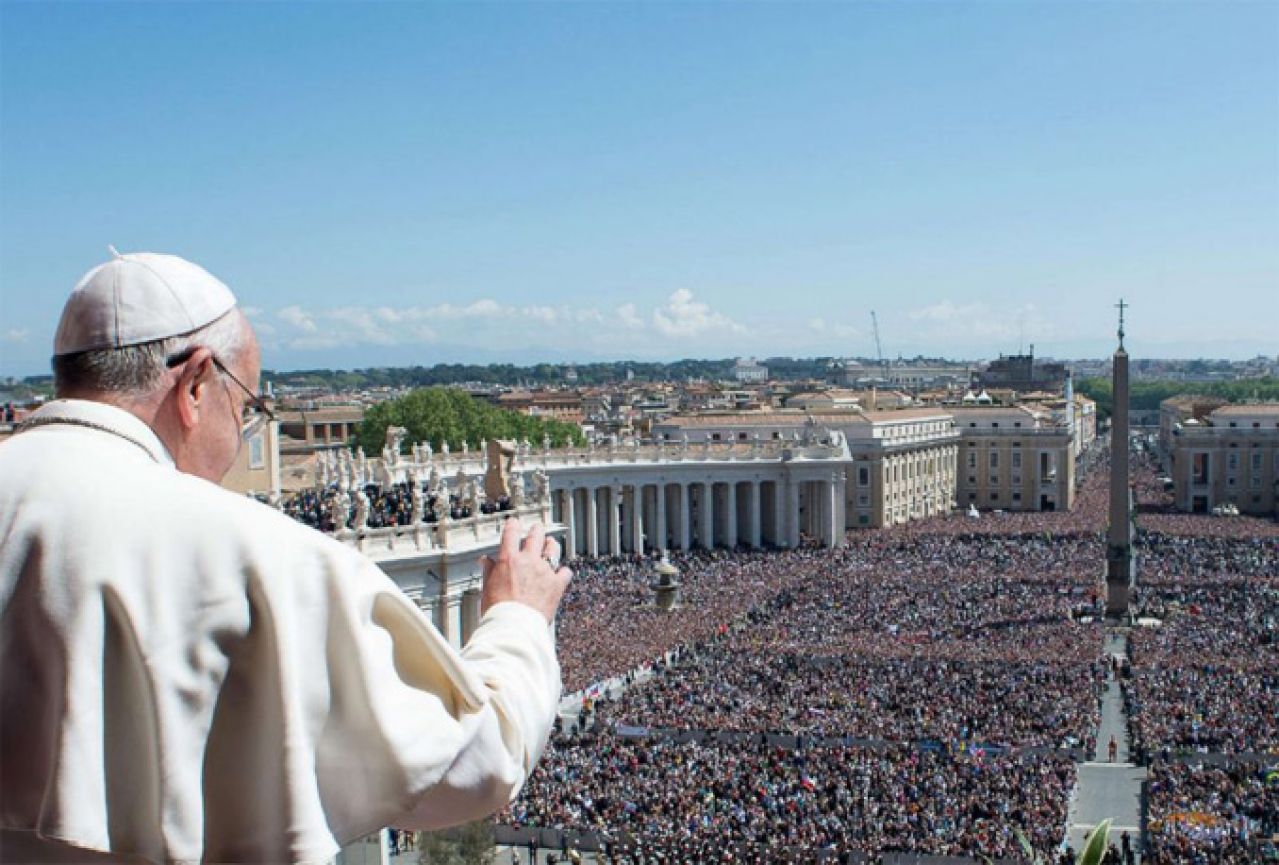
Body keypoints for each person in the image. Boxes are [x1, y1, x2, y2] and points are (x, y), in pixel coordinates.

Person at [0, 251, 572, 863]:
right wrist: (517, 618)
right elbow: (474, 762)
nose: (240, 436)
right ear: (196, 383)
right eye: (246, 408)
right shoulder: (262, 558)